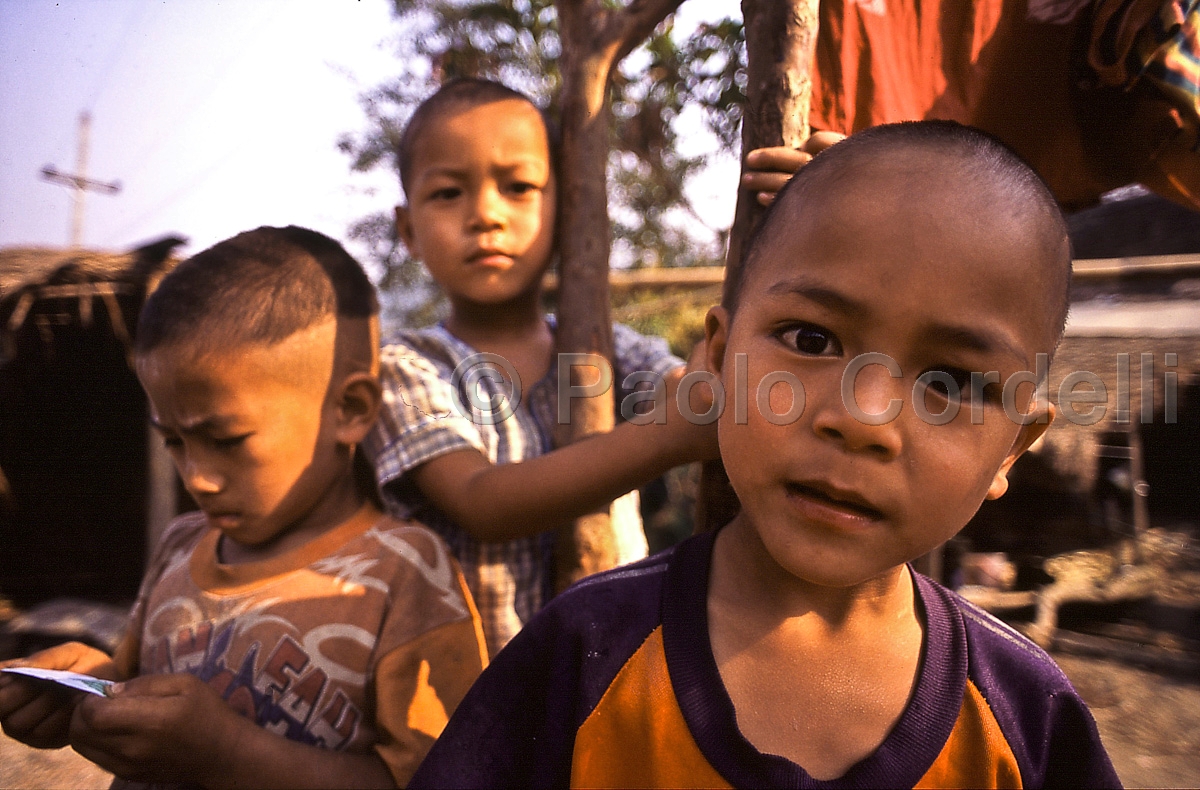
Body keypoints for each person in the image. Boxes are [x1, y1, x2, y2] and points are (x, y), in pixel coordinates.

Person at [407, 122, 1122, 788]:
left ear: (1013, 449)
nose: (862, 418)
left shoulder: (1026, 716)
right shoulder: (585, 651)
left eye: (951, 382)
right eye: (811, 340)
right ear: (718, 360)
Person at [0, 227, 487, 788]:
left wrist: (229, 753)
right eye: (174, 442)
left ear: (350, 409)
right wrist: (88, 689)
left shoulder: (404, 574)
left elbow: (435, 779)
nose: (198, 479)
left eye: (228, 440)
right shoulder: (181, 546)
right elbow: (139, 678)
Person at [364, 78, 720, 657]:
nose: (485, 215)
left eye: (519, 187)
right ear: (408, 231)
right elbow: (482, 503)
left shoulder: (604, 349)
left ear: (567, 213)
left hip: (608, 681)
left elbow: (702, 388)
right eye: (449, 193)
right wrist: (667, 435)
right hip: (468, 701)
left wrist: (785, 206)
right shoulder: (406, 368)